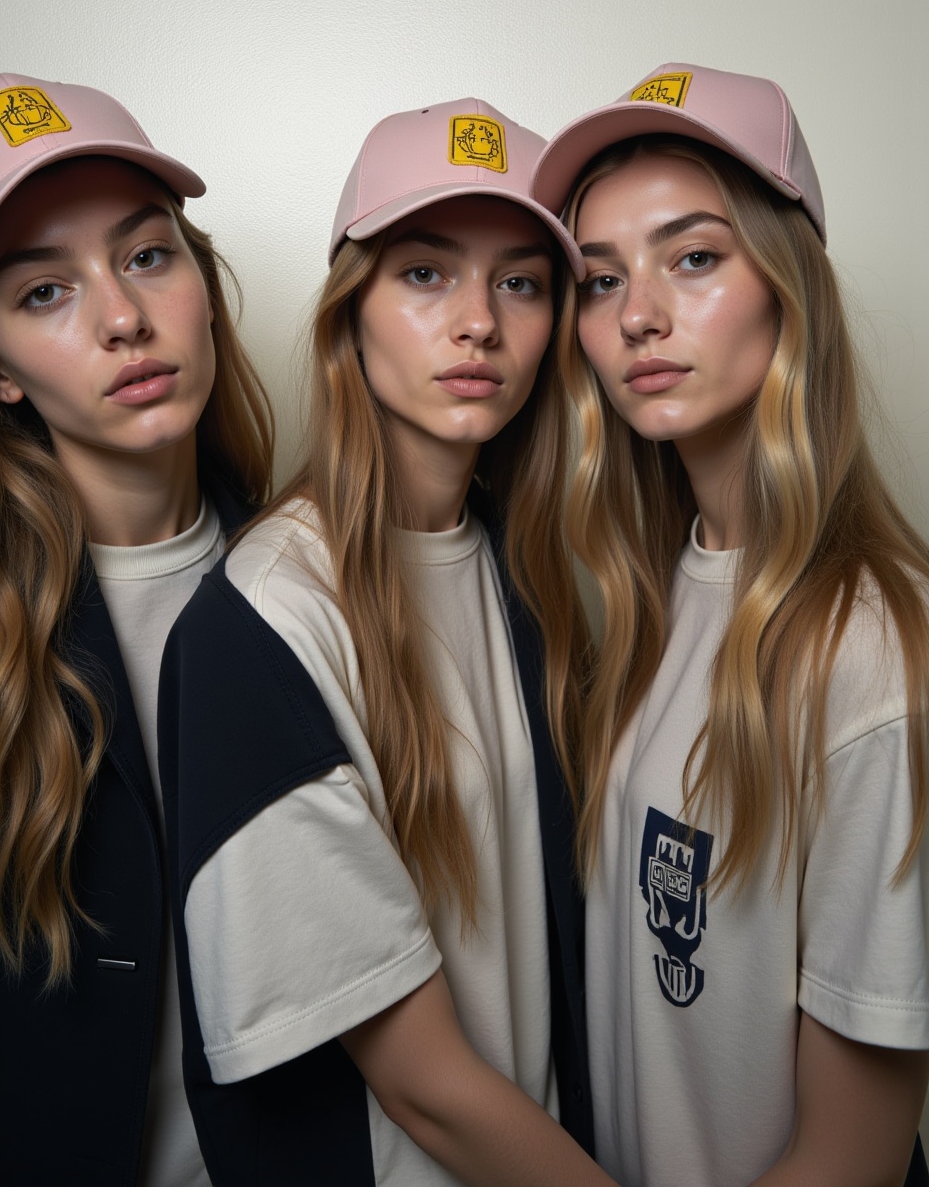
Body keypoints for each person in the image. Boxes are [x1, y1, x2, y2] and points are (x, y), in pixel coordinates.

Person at [159, 99, 614, 1185]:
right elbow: (419, 1081)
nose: (478, 323)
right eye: (423, 273)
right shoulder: (259, 622)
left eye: (520, 280)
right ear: (348, 314)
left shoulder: (532, 577)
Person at [530, 62, 929, 1186]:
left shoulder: (874, 656)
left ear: (788, 284)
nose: (637, 315)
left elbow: (850, 1158)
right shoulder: (653, 597)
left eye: (692, 256)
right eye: (599, 280)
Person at [0, 73, 272, 1186]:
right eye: (44, 291)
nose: (123, 318)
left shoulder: (318, 589)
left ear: (202, 284)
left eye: (147, 255)